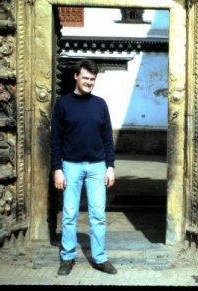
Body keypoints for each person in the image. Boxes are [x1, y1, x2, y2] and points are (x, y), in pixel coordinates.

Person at [50, 59, 117, 275]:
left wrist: (110, 166)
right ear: (76, 77)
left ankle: (99, 258)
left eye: (92, 79)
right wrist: (57, 169)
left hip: (98, 166)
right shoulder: (63, 104)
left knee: (97, 214)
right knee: (69, 214)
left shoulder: (100, 104)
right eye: (86, 78)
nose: (89, 82)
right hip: (71, 166)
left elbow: (107, 137)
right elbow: (56, 139)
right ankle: (67, 257)